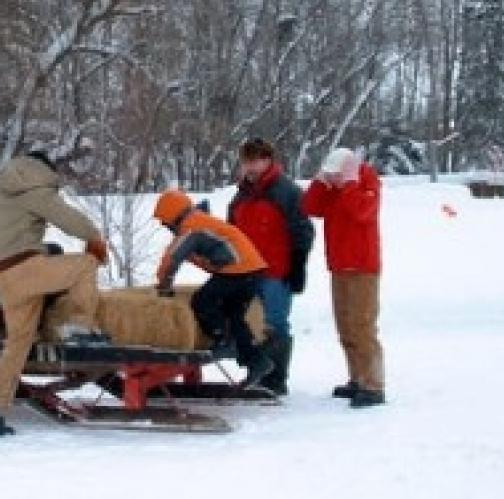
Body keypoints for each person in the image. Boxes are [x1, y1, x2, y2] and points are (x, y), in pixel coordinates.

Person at [0, 151, 109, 436]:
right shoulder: (36, 190)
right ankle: (79, 325)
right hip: (26, 268)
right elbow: (70, 220)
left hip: (3, 277)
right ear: (44, 169)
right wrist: (95, 237)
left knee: (17, 343)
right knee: (86, 264)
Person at [152, 188, 273, 390]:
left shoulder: (191, 226)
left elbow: (172, 258)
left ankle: (222, 338)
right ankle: (257, 361)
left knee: (202, 301)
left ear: (173, 216)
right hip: (254, 270)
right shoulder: (201, 221)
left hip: (237, 269)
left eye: (165, 223)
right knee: (234, 315)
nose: (166, 227)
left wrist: (164, 286)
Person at [227, 138, 315, 395]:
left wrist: (298, 264)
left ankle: (276, 378)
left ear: (268, 161)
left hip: (277, 271)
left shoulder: (287, 191)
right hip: (246, 272)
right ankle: (258, 371)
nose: (250, 167)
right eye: (246, 162)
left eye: (255, 161)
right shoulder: (240, 196)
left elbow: (303, 230)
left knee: (275, 323)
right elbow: (230, 233)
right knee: (251, 322)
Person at [302, 147, 385, 408]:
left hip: (363, 267)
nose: (334, 180)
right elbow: (310, 207)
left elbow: (362, 212)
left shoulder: (367, 183)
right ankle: (356, 378)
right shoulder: (335, 189)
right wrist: (320, 183)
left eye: (337, 175)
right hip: (339, 266)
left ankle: (373, 385)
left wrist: (349, 184)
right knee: (346, 327)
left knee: (362, 326)